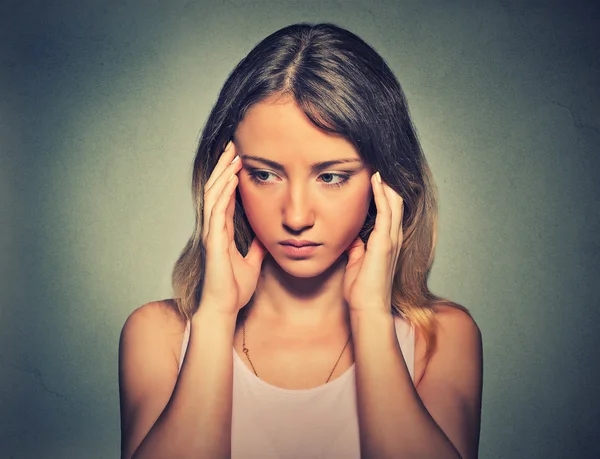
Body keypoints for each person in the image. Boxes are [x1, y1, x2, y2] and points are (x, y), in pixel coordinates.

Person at [118, 22, 483, 459]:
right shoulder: (158, 335)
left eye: (331, 177)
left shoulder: (441, 339)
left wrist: (369, 315)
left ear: (386, 180)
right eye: (264, 174)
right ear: (226, 178)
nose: (295, 217)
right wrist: (215, 314)